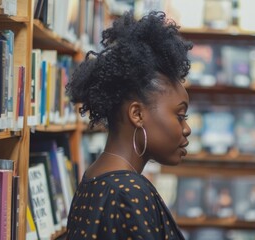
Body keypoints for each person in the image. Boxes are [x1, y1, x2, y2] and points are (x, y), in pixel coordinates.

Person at [65, 10, 192, 240]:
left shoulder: (94, 176)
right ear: (137, 114)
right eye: (180, 115)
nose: (186, 129)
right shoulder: (129, 191)